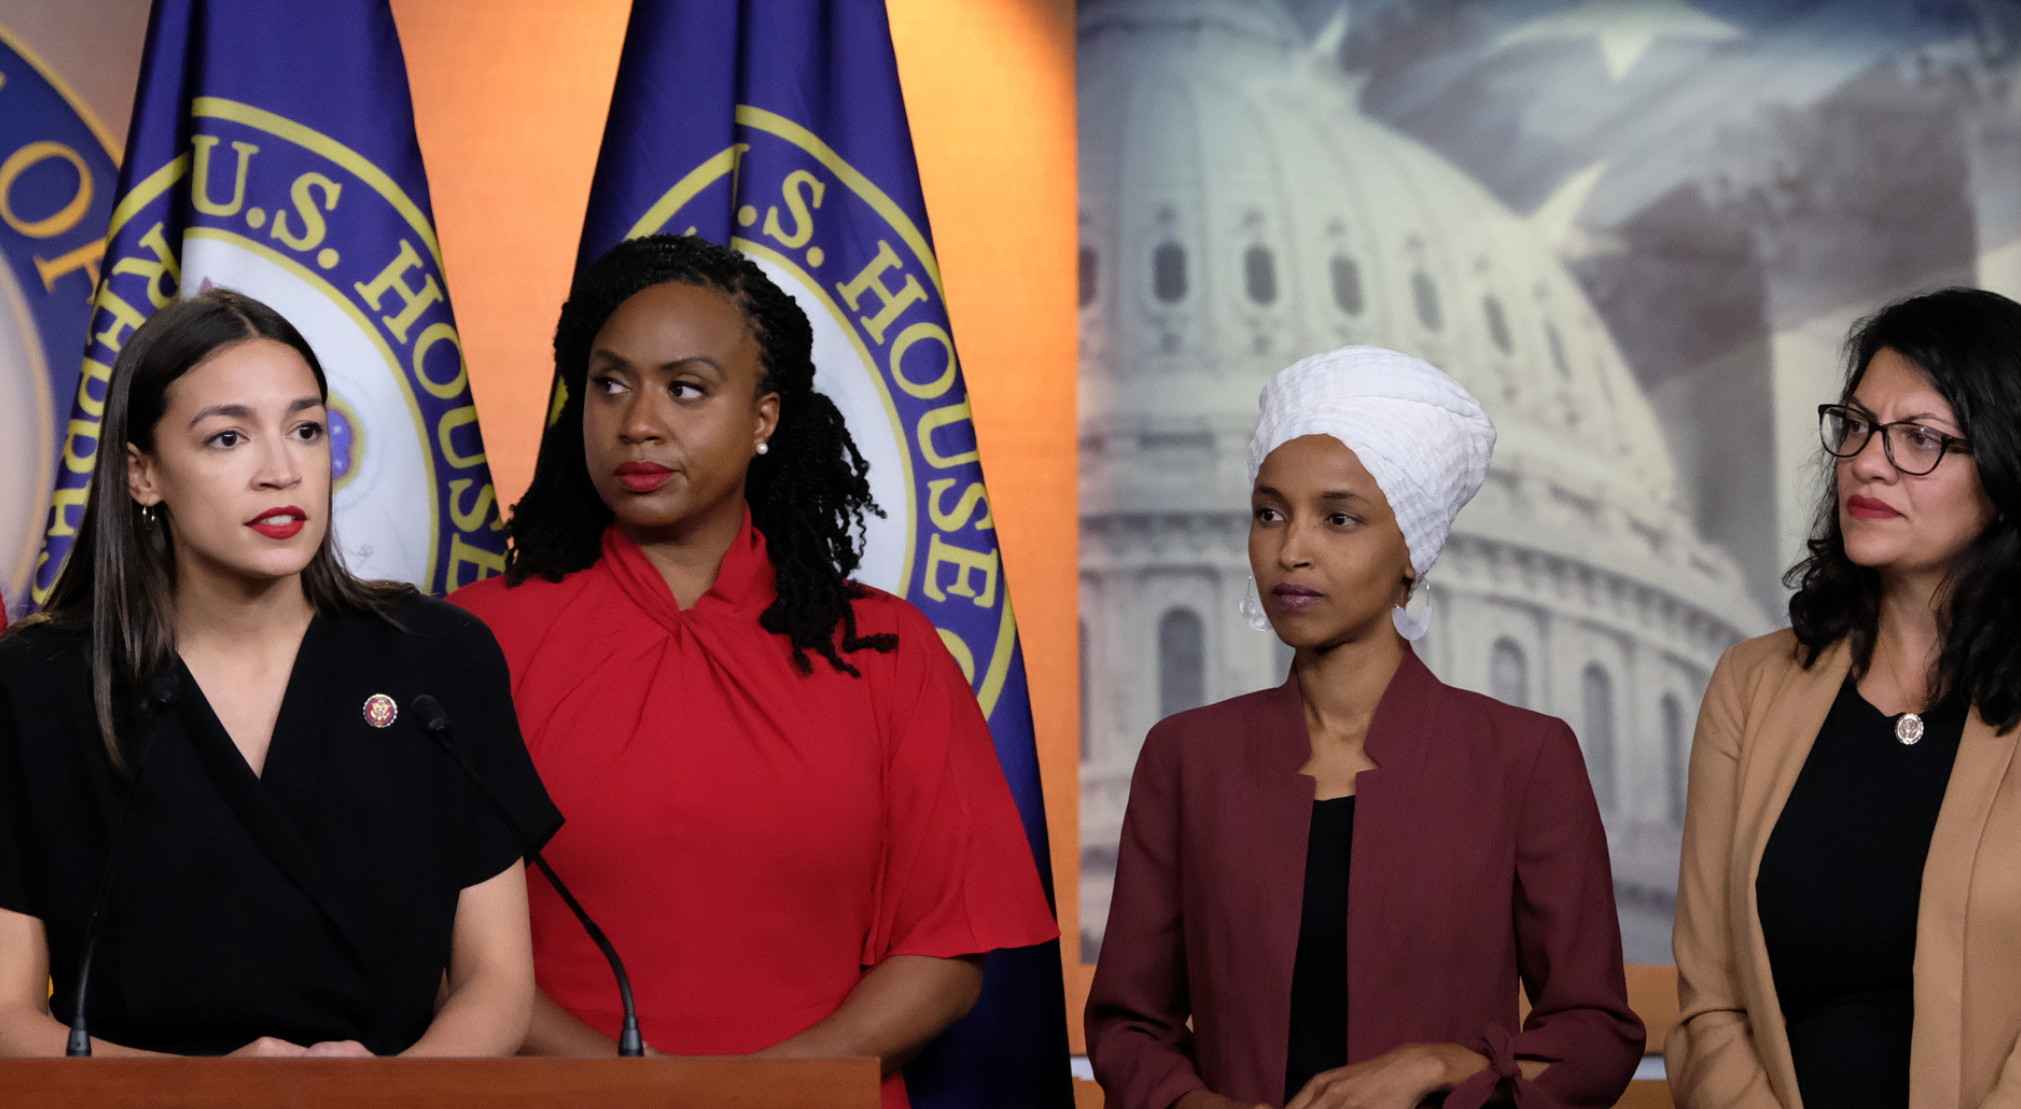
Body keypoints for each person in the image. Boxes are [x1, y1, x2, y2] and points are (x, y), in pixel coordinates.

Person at [454, 233, 1057, 1106]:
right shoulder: (471, 643)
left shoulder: (887, 651)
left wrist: (763, 1089)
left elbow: (945, 951)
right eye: (609, 383)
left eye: (686, 387)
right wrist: (623, 1091)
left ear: (764, 417)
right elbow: (429, 940)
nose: (638, 422)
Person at [0, 289, 557, 1057]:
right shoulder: (40, 681)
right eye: (228, 438)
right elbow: (6, 1014)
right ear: (141, 474)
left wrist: (387, 1101)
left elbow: (496, 981)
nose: (281, 471)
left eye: (304, 429)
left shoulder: (439, 657)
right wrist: (212, 1096)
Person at [1087, 345, 1644, 1109]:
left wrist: (1442, 1064)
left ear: (1411, 552)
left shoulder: (1523, 756)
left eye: (1338, 518)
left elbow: (1593, 1030)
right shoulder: (1186, 757)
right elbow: (1127, 1022)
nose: (1291, 549)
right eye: (1268, 512)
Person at [1669, 288, 2021, 1109]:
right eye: (1856, 426)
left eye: (1921, 439)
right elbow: (1707, 1009)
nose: (1867, 460)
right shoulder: (1749, 687)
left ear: (2004, 478)